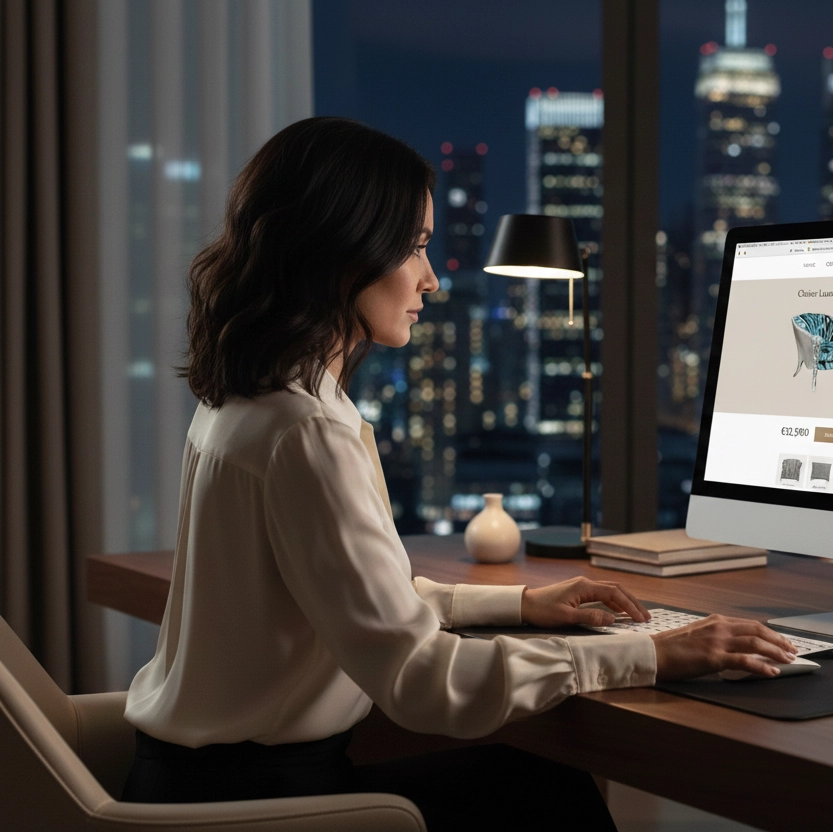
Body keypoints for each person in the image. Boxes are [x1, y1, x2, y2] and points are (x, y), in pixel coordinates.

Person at [121, 116, 798, 830]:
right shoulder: (306, 433)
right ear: (344, 249)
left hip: (191, 785)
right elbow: (419, 680)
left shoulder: (247, 401)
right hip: (258, 806)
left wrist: (519, 605)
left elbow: (352, 598)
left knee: (530, 781)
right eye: (415, 246)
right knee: (543, 791)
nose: (432, 278)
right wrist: (649, 653)